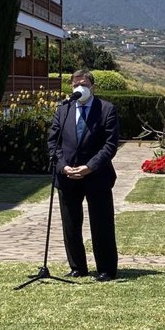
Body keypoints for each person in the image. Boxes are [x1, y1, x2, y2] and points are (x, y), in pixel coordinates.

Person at [48, 69, 120, 281]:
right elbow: (53, 142)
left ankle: (106, 269)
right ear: (71, 87)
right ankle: (77, 266)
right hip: (68, 176)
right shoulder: (64, 109)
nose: (81, 88)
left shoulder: (107, 109)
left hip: (97, 176)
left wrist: (89, 167)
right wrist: (62, 166)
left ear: (93, 87)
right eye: (76, 84)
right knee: (71, 224)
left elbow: (110, 145)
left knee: (101, 223)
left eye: (85, 84)